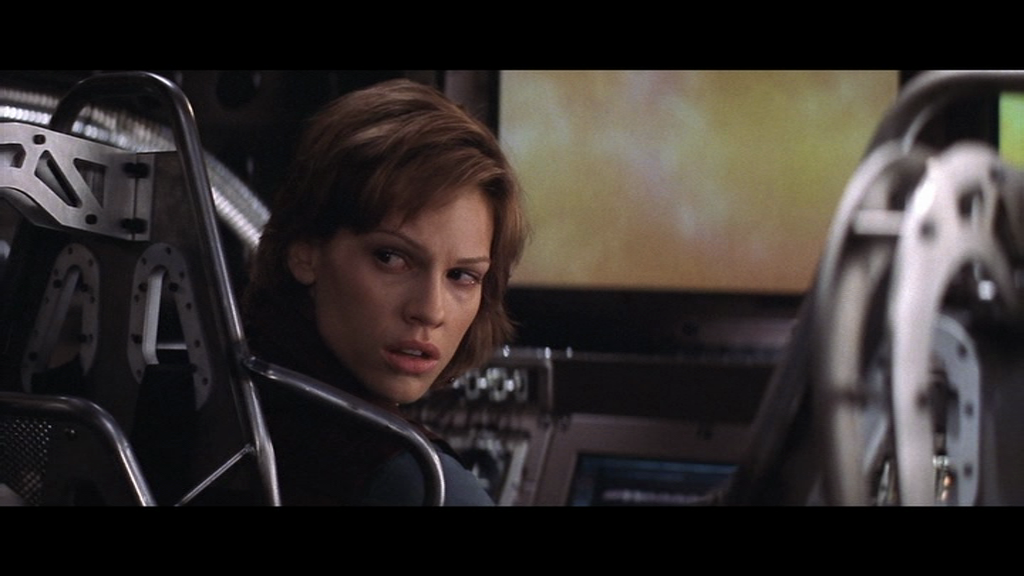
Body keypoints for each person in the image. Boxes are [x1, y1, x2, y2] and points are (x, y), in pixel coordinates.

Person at [242, 78, 527, 506]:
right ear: (305, 252)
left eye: (461, 276)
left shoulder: (223, 400)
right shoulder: (415, 482)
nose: (430, 310)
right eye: (391, 258)